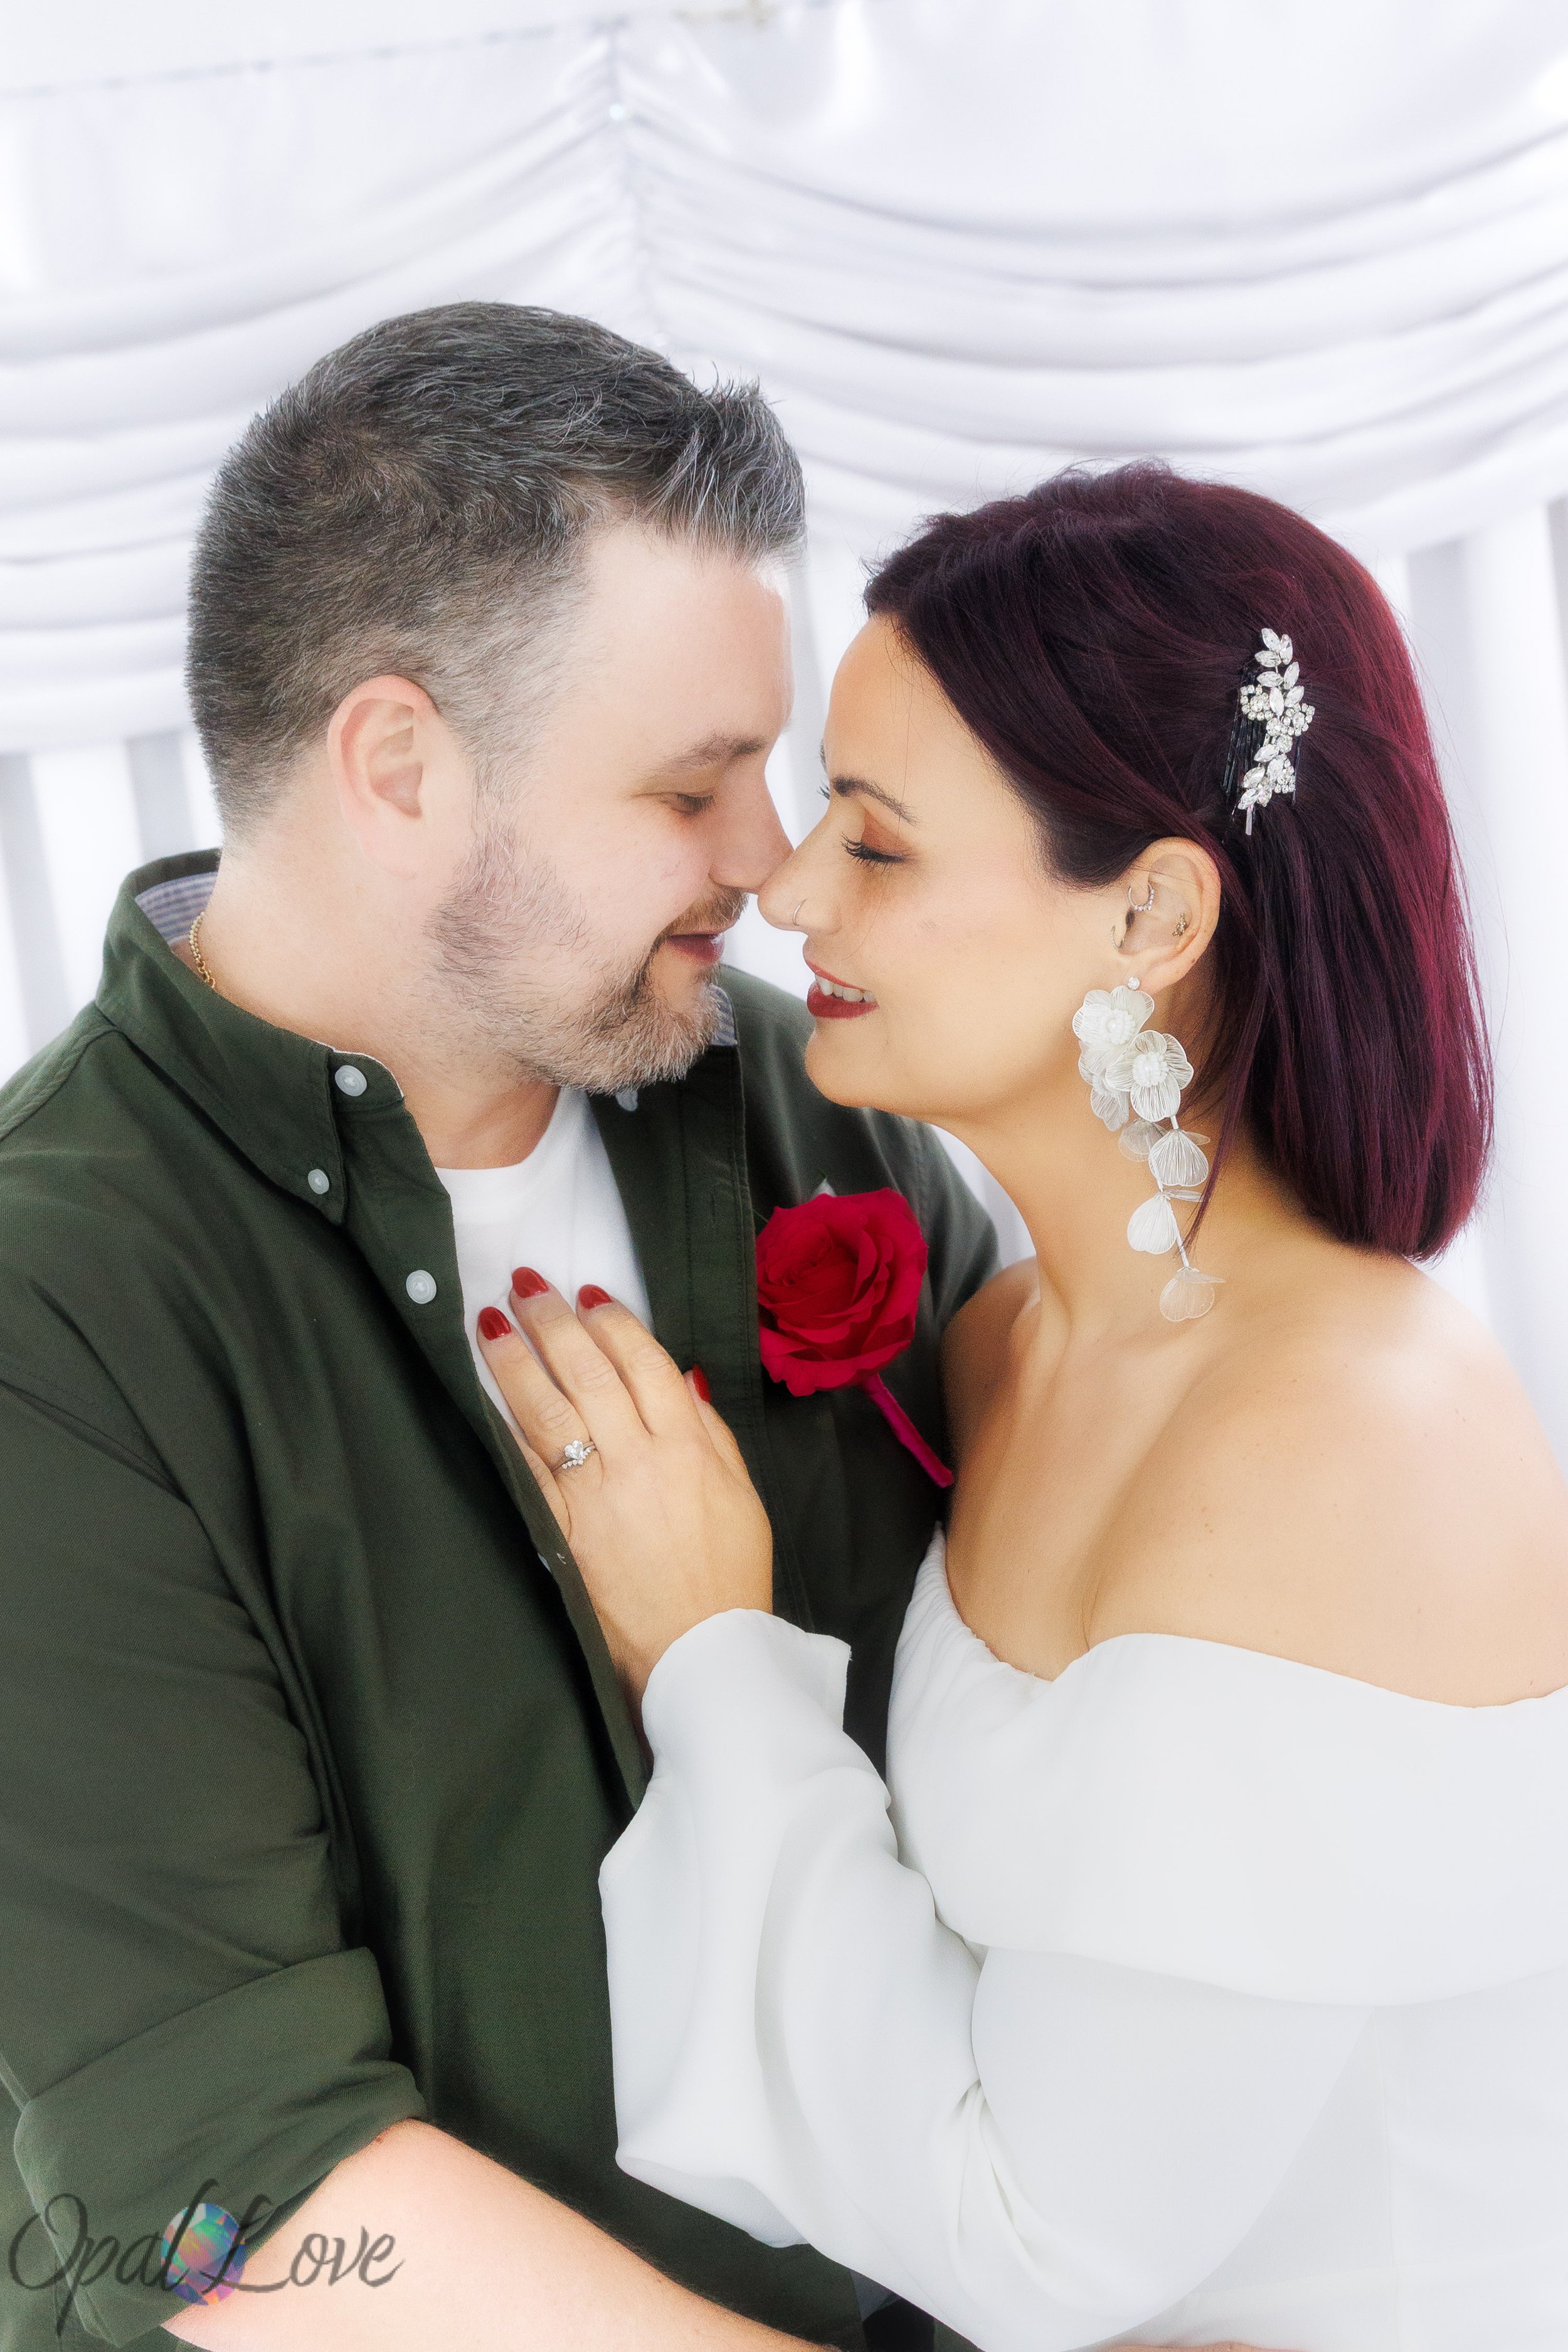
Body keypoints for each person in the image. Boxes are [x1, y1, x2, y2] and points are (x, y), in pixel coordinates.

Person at [471, 466, 1568, 2351]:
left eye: (876, 845)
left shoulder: (1349, 1441)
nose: (782, 883)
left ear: (1150, 912)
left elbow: (1036, 2246)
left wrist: (712, 1651)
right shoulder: (1000, 1349)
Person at [0, 302, 1009, 2352]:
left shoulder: (824, 1107)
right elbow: (225, 2194)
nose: (775, 863)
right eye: (693, 785)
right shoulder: (56, 1313)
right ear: (399, 765)